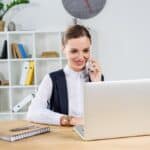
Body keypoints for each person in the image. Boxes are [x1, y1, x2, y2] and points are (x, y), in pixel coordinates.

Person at [27, 24, 104, 126]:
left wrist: (96, 85)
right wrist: (70, 120)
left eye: (85, 50)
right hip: (62, 137)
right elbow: (33, 113)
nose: (81, 57)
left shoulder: (97, 77)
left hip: (92, 134)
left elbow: (102, 115)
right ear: (63, 49)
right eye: (74, 51)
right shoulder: (52, 79)